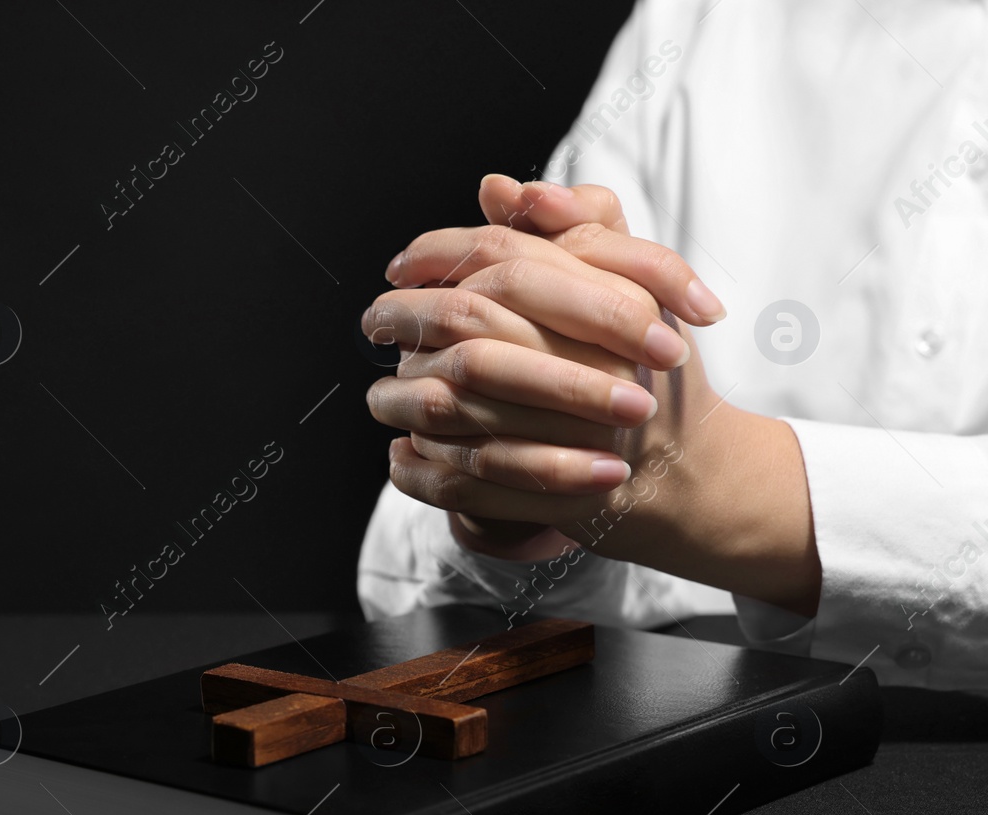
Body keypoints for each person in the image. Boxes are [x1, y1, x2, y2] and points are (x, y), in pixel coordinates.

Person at [356, 0, 988, 694]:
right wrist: (518, 489)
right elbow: (420, 563)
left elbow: (666, 463)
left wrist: (729, 483)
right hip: (674, 723)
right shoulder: (696, 17)